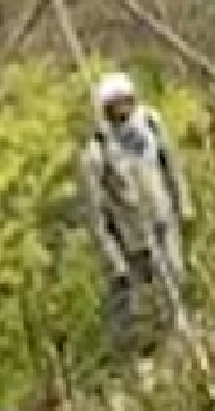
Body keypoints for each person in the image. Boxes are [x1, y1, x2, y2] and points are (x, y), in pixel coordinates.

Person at [77, 71, 189, 361]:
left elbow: (171, 164)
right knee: (140, 303)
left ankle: (181, 339)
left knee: (175, 277)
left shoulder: (150, 126)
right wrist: (113, 258)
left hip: (164, 221)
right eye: (117, 103)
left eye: (128, 100)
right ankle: (143, 357)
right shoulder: (96, 152)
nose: (125, 108)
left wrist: (184, 204)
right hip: (132, 240)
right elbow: (95, 214)